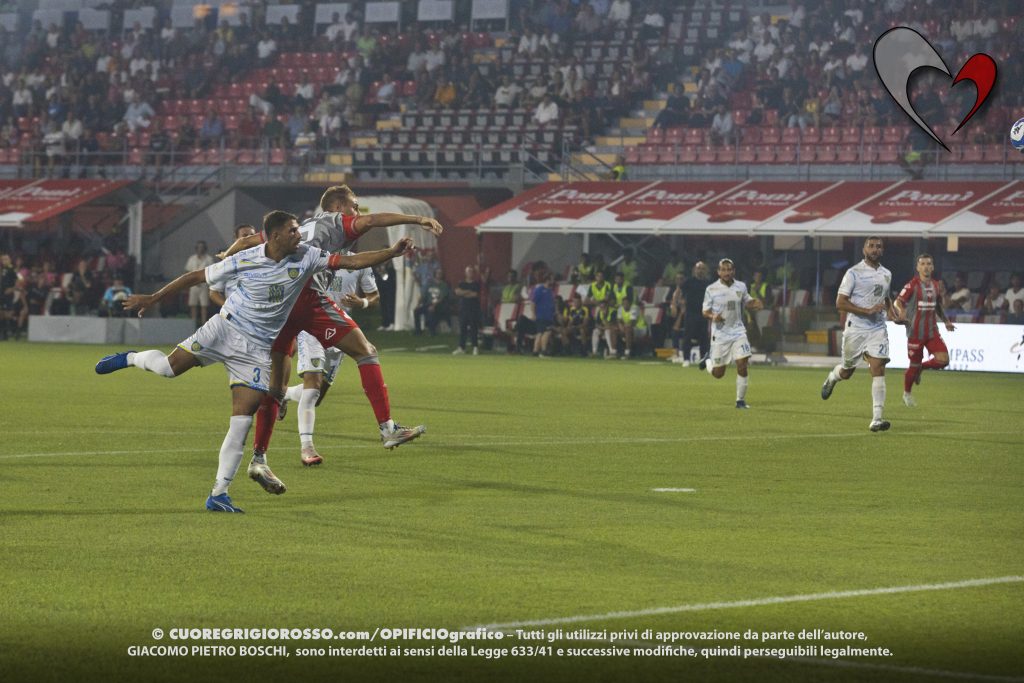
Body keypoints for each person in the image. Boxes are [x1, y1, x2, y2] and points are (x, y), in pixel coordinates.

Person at [96, 211, 413, 513]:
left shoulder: (306, 255)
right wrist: (153, 298)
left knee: (242, 420)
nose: (299, 234)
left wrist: (391, 252)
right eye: (292, 230)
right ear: (275, 236)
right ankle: (131, 358)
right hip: (224, 329)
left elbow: (351, 261)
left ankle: (219, 494)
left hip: (255, 351)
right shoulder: (246, 258)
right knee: (168, 368)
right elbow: (196, 276)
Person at [218, 186, 443, 466]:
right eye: (354, 206)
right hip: (307, 299)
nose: (357, 212)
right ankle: (387, 429)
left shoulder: (297, 228)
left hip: (277, 302)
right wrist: (417, 219)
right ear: (337, 208)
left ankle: (259, 458)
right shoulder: (337, 223)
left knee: (276, 387)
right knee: (366, 351)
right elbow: (372, 222)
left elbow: (246, 242)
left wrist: (226, 256)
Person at [279, 251, 380, 466]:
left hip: (341, 330)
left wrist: (362, 302)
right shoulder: (316, 255)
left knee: (317, 396)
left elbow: (374, 296)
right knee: (312, 386)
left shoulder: (360, 262)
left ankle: (283, 394)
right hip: (311, 325)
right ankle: (307, 448)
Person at [820, 236, 899, 432]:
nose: (875, 249)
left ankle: (877, 419)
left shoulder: (887, 273)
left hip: (878, 329)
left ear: (882, 250)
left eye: (878, 246)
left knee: (878, 367)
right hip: (855, 329)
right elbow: (840, 303)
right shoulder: (853, 273)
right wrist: (866, 311)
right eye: (871, 246)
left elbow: (886, 296)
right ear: (864, 250)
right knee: (847, 372)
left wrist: (892, 312)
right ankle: (833, 377)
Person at [701, 259, 764, 407]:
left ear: (733, 271)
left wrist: (755, 303)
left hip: (738, 331)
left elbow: (747, 301)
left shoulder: (741, 286)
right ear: (718, 272)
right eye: (723, 270)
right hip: (720, 335)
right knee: (718, 374)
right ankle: (708, 361)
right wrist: (713, 316)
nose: (726, 272)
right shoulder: (711, 289)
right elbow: (705, 311)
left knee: (742, 363)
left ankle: (740, 400)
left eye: (729, 269)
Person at [894, 254, 955, 407]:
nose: (926, 267)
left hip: (932, 331)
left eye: (928, 264)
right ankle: (907, 394)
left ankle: (922, 367)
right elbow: (897, 302)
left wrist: (946, 321)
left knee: (944, 360)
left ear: (932, 267)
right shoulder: (912, 285)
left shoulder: (936, 285)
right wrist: (901, 311)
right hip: (915, 332)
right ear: (918, 267)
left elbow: (937, 306)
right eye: (922, 264)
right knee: (913, 366)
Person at [680, 261, 711, 365]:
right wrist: (677, 304)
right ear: (694, 270)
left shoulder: (708, 283)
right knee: (687, 336)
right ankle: (686, 359)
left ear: (706, 271)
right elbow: (680, 292)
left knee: (704, 338)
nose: (700, 270)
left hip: (703, 313)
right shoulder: (689, 281)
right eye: (698, 268)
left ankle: (703, 359)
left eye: (702, 268)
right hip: (690, 313)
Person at [185, 241, 216, 327]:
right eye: (199, 247)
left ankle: (203, 325)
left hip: (204, 285)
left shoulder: (209, 259)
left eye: (202, 247)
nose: (200, 249)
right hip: (193, 285)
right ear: (196, 248)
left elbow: (212, 272)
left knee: (204, 305)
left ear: (205, 248)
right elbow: (187, 271)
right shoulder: (192, 259)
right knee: (193, 305)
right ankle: (193, 324)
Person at [453, 266, 481, 355]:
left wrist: (463, 293)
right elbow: (457, 292)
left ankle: (475, 347)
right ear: (465, 273)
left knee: (473, 329)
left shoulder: (476, 284)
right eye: (468, 271)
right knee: (463, 329)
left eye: (471, 272)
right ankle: (461, 347)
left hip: (473, 309)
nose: (470, 273)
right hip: (463, 309)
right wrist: (468, 291)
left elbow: (474, 294)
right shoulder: (461, 283)